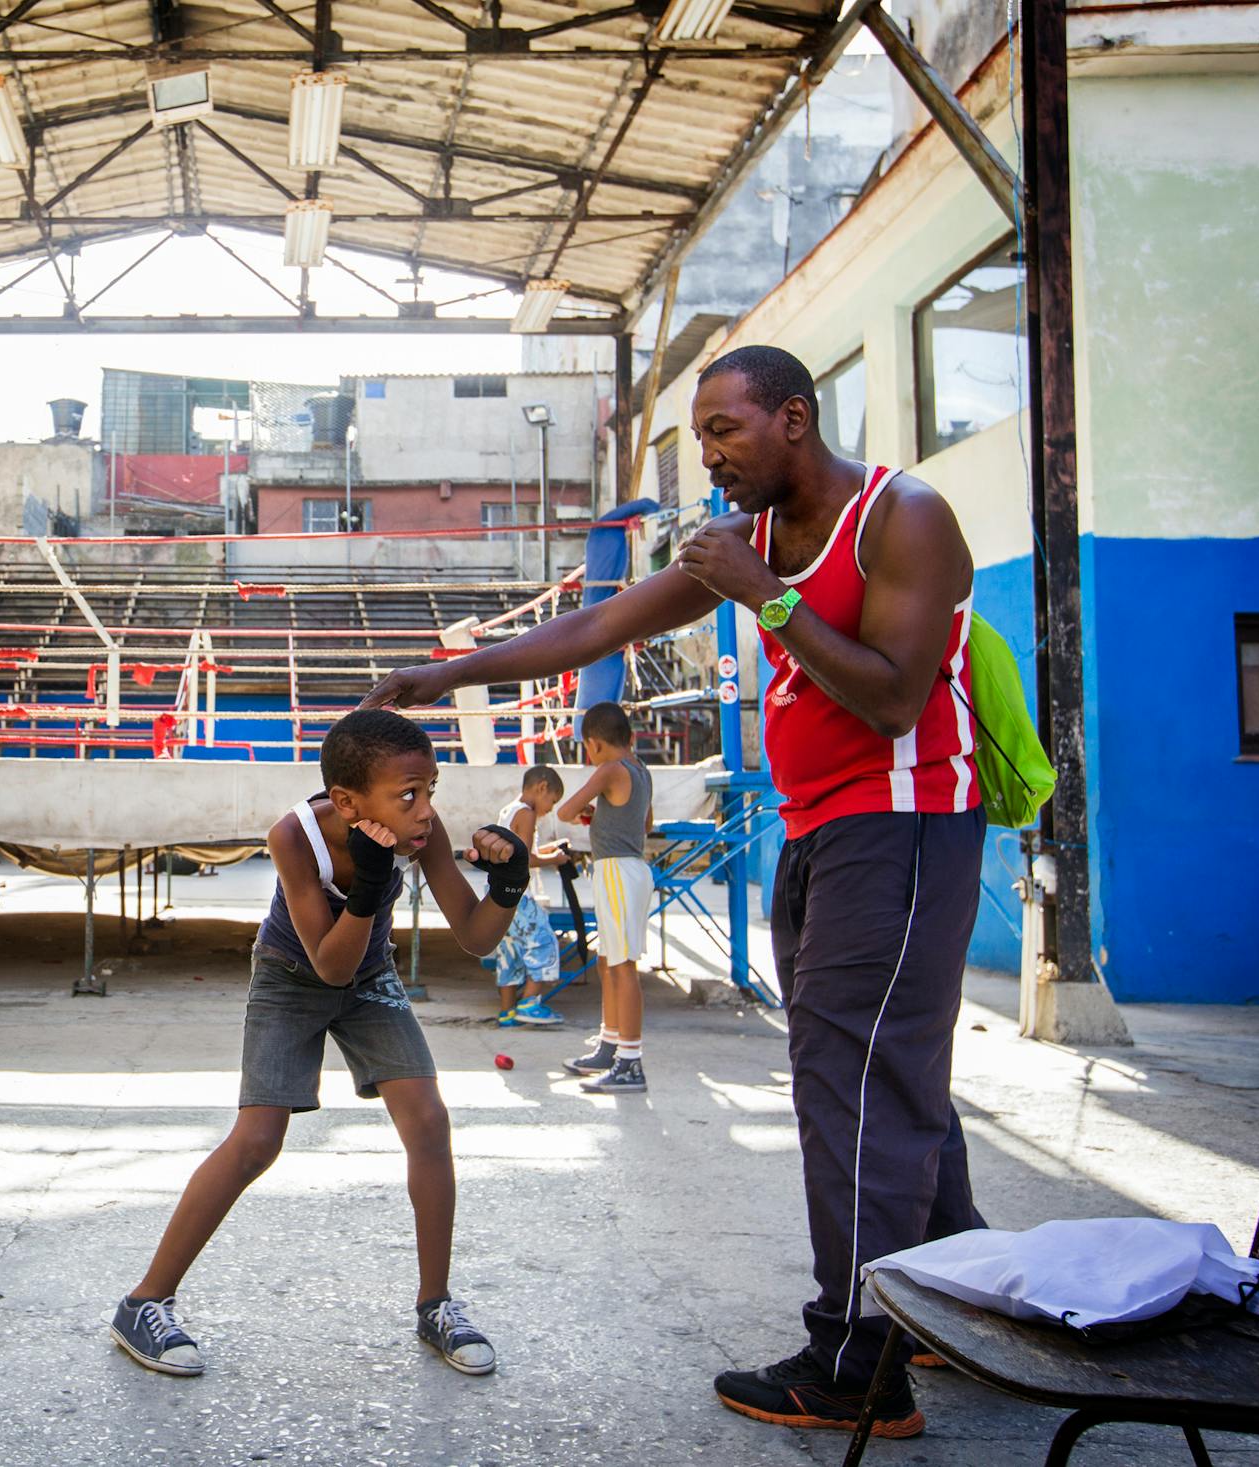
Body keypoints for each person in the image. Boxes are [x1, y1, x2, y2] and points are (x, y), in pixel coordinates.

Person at [361, 345, 988, 1439]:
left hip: (905, 829)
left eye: (725, 429)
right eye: (700, 435)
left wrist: (767, 599)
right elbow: (597, 627)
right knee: (882, 1072)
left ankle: (859, 1363)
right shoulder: (749, 543)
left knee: (855, 1084)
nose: (709, 453)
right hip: (825, 830)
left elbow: (893, 699)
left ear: (794, 419)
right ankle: (944, 1297)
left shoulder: (905, 516)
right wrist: (450, 673)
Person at [109, 708, 532, 1379]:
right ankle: (143, 1300)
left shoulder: (421, 831)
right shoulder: (294, 836)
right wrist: (368, 885)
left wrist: (509, 882)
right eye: (408, 796)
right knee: (257, 1140)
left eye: (431, 791)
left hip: (369, 976)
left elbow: (476, 936)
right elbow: (327, 964)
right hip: (291, 976)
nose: (425, 811)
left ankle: (435, 1304)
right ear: (347, 801)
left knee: (428, 1120)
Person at [554, 703, 654, 1094]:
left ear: (593, 743)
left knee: (622, 966)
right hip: (631, 869)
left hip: (616, 871)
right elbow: (644, 821)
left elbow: (564, 811)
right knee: (608, 961)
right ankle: (610, 1044)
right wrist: (604, 814)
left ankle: (630, 1061)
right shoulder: (640, 771)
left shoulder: (610, 770)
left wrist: (590, 808)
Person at [489, 763, 573, 1028]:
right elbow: (526, 859)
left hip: (498, 894)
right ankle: (529, 1003)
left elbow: (519, 850)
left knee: (509, 949)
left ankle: (506, 1013)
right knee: (544, 941)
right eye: (552, 801)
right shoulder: (526, 814)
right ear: (542, 788)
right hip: (519, 896)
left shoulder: (509, 810)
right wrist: (556, 858)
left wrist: (548, 850)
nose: (551, 809)